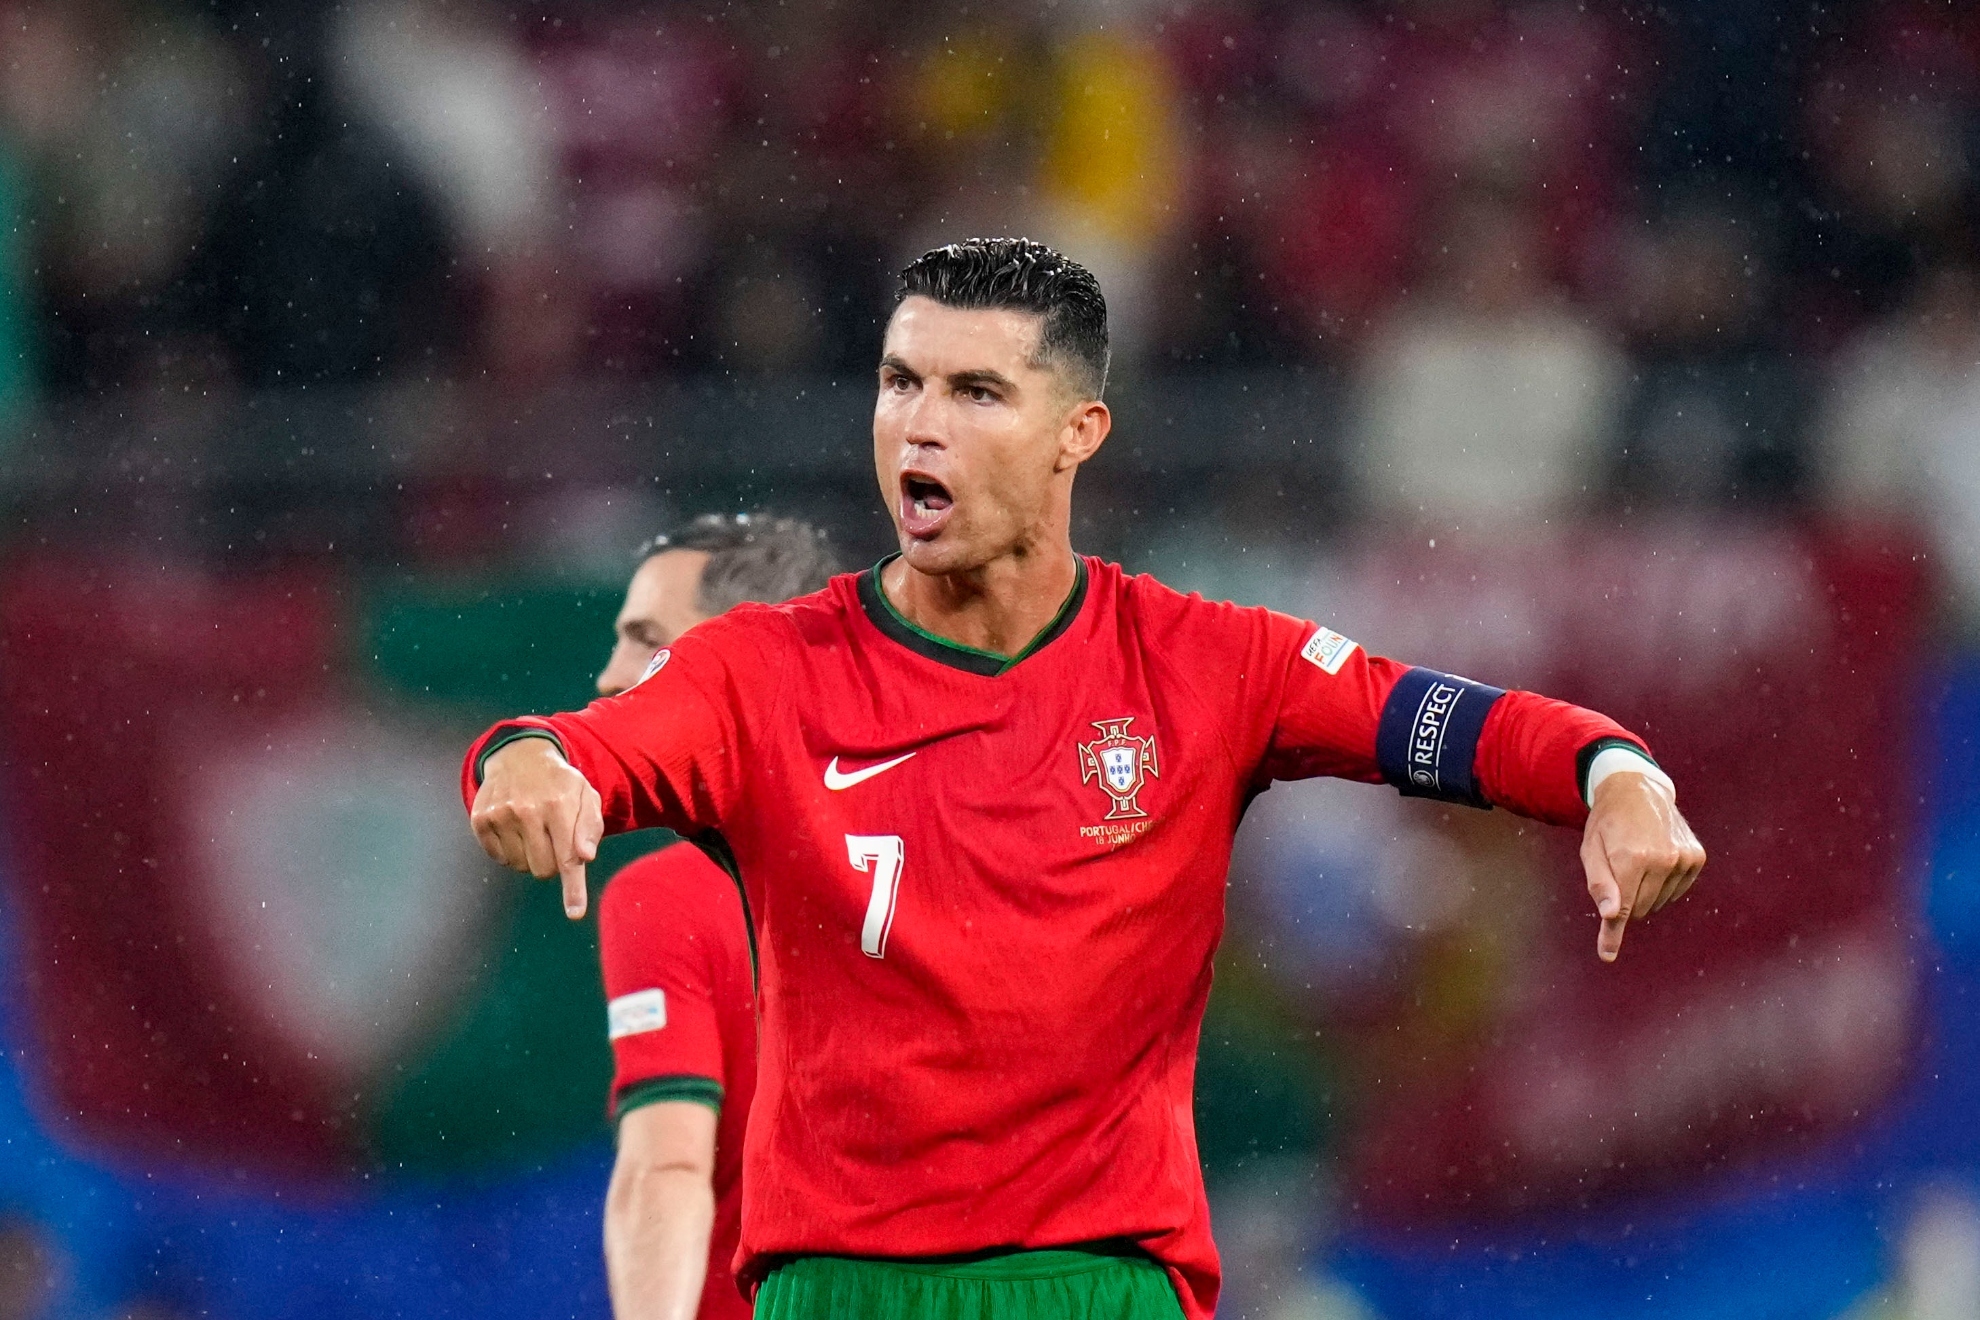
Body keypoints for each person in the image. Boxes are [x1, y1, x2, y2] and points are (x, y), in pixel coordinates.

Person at [463, 238, 1706, 1320]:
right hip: (838, 1287)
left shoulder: (1206, 662)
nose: (921, 424)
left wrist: (1614, 769)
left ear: (1078, 435)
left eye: (976, 390)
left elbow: (1445, 721)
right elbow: (578, 746)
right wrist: (529, 766)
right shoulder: (762, 670)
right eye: (900, 383)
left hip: (1102, 1279)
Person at [591, 514, 839, 1320]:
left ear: (739, 662)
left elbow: (665, 1172)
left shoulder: (668, 895)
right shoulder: (945, 853)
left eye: (646, 639)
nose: (607, 675)